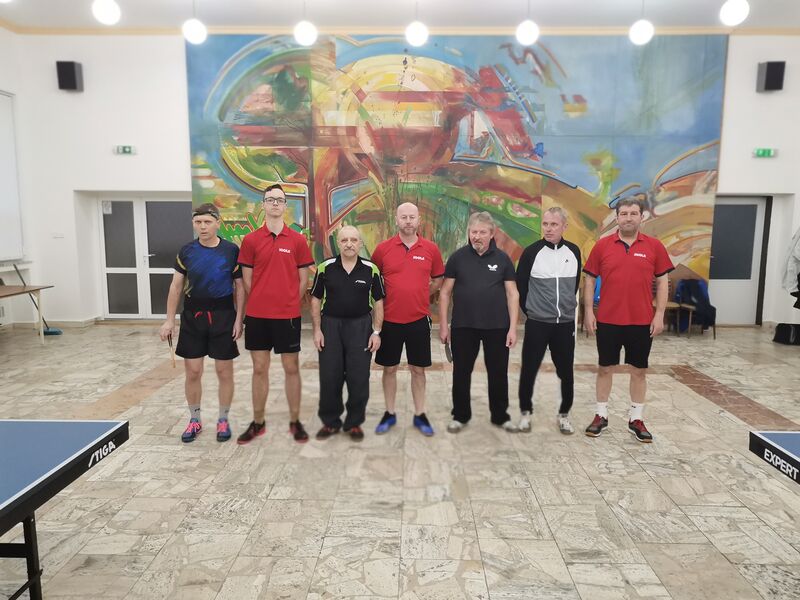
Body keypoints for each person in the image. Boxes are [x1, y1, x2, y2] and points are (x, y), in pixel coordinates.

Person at [582, 197, 674, 443]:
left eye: (633, 213)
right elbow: (589, 279)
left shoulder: (654, 246)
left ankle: (636, 419)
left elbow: (663, 281)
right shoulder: (602, 246)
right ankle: (601, 415)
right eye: (624, 214)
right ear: (617, 217)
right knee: (605, 368)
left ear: (642, 217)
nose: (628, 218)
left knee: (639, 371)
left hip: (641, 321)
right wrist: (589, 311)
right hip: (608, 319)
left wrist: (659, 314)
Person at [159, 203, 245, 443]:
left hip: (223, 316)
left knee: (224, 371)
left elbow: (240, 287)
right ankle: (194, 419)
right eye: (198, 222)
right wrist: (169, 321)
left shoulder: (231, 251)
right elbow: (176, 287)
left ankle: (223, 419)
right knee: (194, 371)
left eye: (207, 222)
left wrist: (239, 319)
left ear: (218, 223)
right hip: (193, 316)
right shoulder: (186, 251)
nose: (203, 226)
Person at [236, 184, 314, 444]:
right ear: (263, 204)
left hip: (287, 316)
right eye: (270, 200)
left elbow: (304, 279)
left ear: (285, 206)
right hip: (258, 316)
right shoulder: (251, 240)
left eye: (280, 200)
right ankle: (258, 422)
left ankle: (295, 421)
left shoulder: (297, 240)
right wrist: (262, 298)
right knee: (259, 369)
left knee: (291, 368)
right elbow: (247, 281)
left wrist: (289, 301)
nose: (275, 204)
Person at [438, 212, 519, 433]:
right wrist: (444, 325)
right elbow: (444, 293)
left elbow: (513, 294)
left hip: (497, 327)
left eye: (482, 232)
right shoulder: (457, 258)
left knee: (498, 373)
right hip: (464, 326)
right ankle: (460, 415)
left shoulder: (503, 259)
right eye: (473, 232)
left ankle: (500, 416)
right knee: (461, 373)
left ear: (492, 234)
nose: (477, 236)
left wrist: (513, 328)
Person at [370, 202, 445, 436]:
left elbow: (438, 280)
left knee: (418, 370)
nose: (408, 221)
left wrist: (421, 292)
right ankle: (389, 413)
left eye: (412, 217)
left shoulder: (431, 249)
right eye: (404, 217)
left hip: (418, 320)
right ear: (396, 220)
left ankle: (420, 414)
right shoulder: (382, 249)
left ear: (419, 220)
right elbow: (374, 280)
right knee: (389, 369)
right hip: (389, 321)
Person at [310, 226, 385, 441]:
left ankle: (354, 423)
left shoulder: (371, 269)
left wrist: (376, 332)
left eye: (353, 240)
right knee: (330, 376)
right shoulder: (325, 268)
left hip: (360, 327)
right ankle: (330, 422)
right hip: (330, 327)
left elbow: (378, 302)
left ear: (360, 243)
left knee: (358, 377)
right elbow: (315, 299)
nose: (349, 244)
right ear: (338, 243)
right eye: (344, 240)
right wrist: (317, 330)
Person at [515, 207, 582, 434]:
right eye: (545, 224)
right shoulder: (531, 253)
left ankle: (564, 415)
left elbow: (573, 285)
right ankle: (526, 413)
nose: (549, 229)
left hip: (565, 324)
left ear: (564, 226)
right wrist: (532, 311)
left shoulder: (574, 252)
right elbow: (521, 286)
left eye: (554, 224)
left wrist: (565, 309)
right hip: (538, 323)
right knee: (529, 369)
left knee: (566, 371)